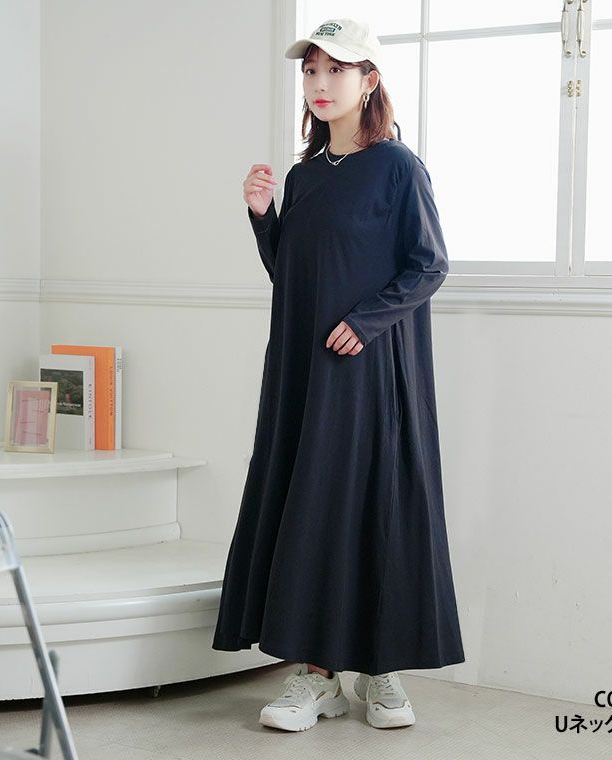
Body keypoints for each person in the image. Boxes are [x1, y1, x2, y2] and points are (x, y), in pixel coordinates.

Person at [212, 17, 465, 732]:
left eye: (336, 70)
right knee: (311, 502)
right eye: (311, 71)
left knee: (374, 502)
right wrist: (264, 218)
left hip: (371, 368)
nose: (320, 84)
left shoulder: (398, 167)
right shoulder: (302, 176)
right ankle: (317, 674)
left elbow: (430, 264)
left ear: (369, 80)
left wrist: (368, 320)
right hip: (303, 368)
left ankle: (380, 670)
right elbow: (293, 274)